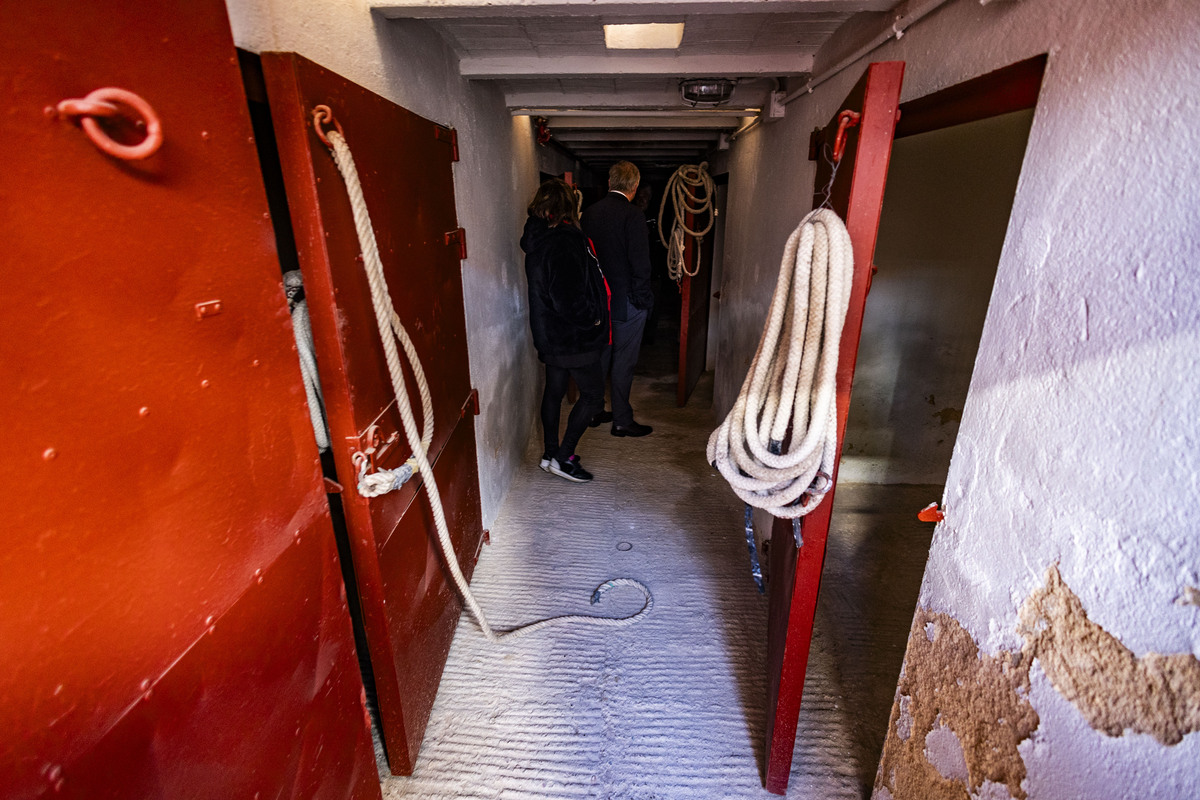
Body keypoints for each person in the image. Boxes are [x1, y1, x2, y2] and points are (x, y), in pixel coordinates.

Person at [520, 179, 610, 483]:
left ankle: (549, 453)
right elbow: (567, 297)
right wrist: (594, 320)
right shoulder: (564, 240)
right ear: (568, 205)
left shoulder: (538, 239)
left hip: (550, 335)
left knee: (555, 391)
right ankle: (563, 457)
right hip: (574, 337)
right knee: (594, 396)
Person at [581, 161, 654, 437]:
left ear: (611, 182)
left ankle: (595, 409)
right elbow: (640, 264)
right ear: (634, 187)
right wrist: (644, 300)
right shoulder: (633, 216)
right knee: (624, 361)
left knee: (601, 356)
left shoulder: (589, 214)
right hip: (627, 301)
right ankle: (622, 419)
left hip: (598, 300)